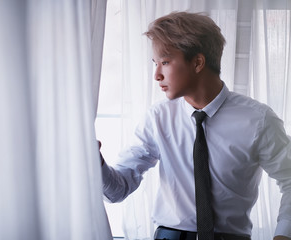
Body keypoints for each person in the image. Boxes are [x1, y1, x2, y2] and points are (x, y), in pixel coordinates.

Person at [99, 11, 291, 240]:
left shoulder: (259, 120)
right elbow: (117, 191)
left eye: (165, 62)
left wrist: (284, 235)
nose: (157, 75)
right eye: (155, 63)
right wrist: (95, 162)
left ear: (198, 62)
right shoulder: (157, 119)